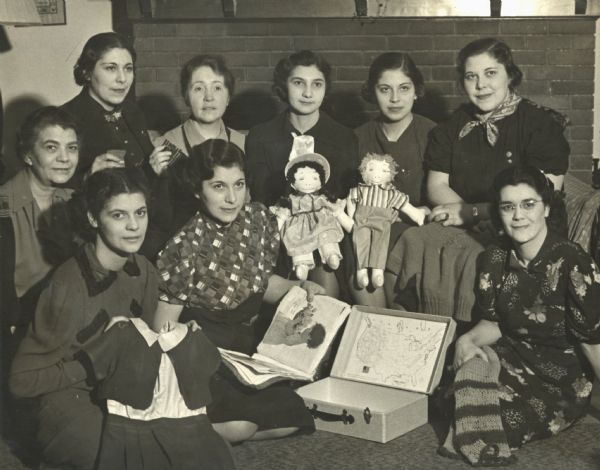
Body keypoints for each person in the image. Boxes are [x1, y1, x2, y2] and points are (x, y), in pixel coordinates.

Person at [386, 38, 570, 322]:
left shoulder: (538, 123)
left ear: (510, 75)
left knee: (477, 256)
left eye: (490, 73)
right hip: (468, 221)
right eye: (471, 76)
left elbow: (544, 194)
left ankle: (471, 334)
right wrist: (468, 215)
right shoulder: (453, 127)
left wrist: (478, 212)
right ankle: (421, 328)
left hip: (523, 224)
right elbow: (437, 185)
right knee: (416, 239)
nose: (481, 85)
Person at [152, 139, 318, 444]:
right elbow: (160, 328)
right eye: (218, 186)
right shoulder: (183, 245)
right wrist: (185, 340)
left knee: (294, 419)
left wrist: (300, 289)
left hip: (245, 350)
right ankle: (166, 428)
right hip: (201, 351)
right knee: (240, 426)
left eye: (238, 184)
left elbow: (260, 284)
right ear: (197, 190)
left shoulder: (259, 220)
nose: (231, 198)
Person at [440, 165, 600, 466]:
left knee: (499, 419)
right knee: (450, 392)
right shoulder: (494, 259)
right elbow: (493, 323)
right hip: (512, 358)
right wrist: (468, 339)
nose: (519, 216)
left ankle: (478, 425)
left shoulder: (573, 261)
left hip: (561, 380)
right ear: (498, 213)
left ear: (547, 208)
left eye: (529, 204)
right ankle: (474, 411)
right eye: (508, 207)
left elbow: (593, 343)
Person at [9, 168, 160, 470]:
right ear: (93, 219)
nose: (134, 226)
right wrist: (91, 363)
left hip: (118, 391)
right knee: (128, 460)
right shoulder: (67, 286)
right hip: (64, 399)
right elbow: (21, 382)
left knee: (201, 451)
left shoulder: (143, 270)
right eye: (118, 215)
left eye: (140, 213)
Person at [245, 49, 359, 298]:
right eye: (299, 83)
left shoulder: (343, 137)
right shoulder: (261, 135)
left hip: (327, 233)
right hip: (277, 229)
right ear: (283, 87)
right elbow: (261, 196)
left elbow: (344, 198)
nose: (308, 93)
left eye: (316, 84)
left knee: (323, 281)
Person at [60, 32, 171, 256]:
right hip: (100, 239)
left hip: (145, 226)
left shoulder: (131, 110)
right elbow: (49, 192)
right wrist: (87, 177)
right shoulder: (66, 120)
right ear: (87, 72)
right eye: (111, 68)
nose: (122, 79)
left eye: (128, 68)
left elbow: (135, 177)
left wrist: (154, 168)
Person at [354, 52, 435, 306]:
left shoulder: (433, 134)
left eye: (404, 88)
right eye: (385, 89)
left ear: (416, 91)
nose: (395, 98)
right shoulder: (357, 137)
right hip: (371, 228)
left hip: (417, 230)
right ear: (372, 92)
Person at [0, 107, 80, 345]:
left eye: (72, 147)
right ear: (28, 154)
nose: (65, 158)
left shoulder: (75, 200)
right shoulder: (4, 207)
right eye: (51, 147)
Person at [157, 54, 246, 236]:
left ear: (228, 97)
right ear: (186, 96)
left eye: (217, 88)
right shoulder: (167, 145)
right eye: (198, 89)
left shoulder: (243, 143)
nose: (209, 97)